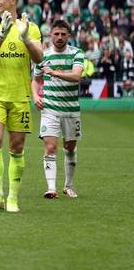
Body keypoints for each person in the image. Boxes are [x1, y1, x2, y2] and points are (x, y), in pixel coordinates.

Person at [0, 0, 43, 213]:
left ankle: (13, 198)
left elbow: (39, 58)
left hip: (20, 95)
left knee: (16, 147)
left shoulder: (31, 27)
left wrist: (25, 38)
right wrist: (3, 33)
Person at [32, 20, 84, 199]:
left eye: (63, 34)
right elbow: (36, 80)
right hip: (50, 109)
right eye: (56, 34)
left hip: (71, 109)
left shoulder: (77, 53)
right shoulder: (43, 56)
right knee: (50, 146)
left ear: (69, 35)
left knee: (69, 148)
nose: (60, 37)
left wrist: (55, 73)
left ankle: (68, 185)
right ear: (50, 35)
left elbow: (76, 76)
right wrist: (36, 96)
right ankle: (51, 188)